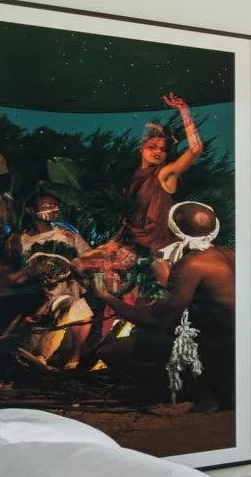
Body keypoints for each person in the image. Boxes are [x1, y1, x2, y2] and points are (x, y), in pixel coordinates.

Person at [86, 201, 236, 411]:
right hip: (236, 347)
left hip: (215, 350)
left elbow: (158, 321)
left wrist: (106, 296)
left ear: (173, 229)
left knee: (111, 351)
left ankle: (196, 389)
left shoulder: (193, 263)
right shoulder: (230, 254)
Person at [118, 92, 203, 256]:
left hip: (161, 250)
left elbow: (196, 149)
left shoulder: (164, 173)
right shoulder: (133, 175)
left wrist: (184, 111)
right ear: (141, 148)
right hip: (131, 245)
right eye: (152, 146)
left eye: (163, 149)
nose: (158, 152)